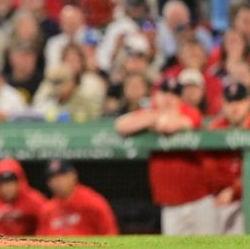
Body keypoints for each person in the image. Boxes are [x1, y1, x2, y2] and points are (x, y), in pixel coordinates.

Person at [115, 77, 217, 234]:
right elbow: (121, 125)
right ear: (156, 95)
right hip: (170, 204)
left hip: (199, 200)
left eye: (174, 94)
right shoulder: (152, 112)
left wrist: (150, 120)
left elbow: (168, 126)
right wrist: (155, 116)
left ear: (180, 98)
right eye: (165, 93)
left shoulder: (190, 111)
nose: (169, 98)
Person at [206, 83, 250, 235]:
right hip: (219, 199)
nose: (234, 107)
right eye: (230, 102)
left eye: (239, 101)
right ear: (223, 104)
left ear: (248, 102)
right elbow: (207, 169)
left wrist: (235, 189)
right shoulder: (215, 129)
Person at [36, 159, 119, 236]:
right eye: (53, 178)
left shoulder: (92, 202)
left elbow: (110, 233)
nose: (58, 182)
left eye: (62, 176)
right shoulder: (47, 210)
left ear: (73, 175)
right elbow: (41, 241)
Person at [0, 158, 46, 235]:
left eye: (10, 182)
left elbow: (46, 228)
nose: (7, 188)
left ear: (19, 181)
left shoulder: (35, 201)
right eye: (2, 183)